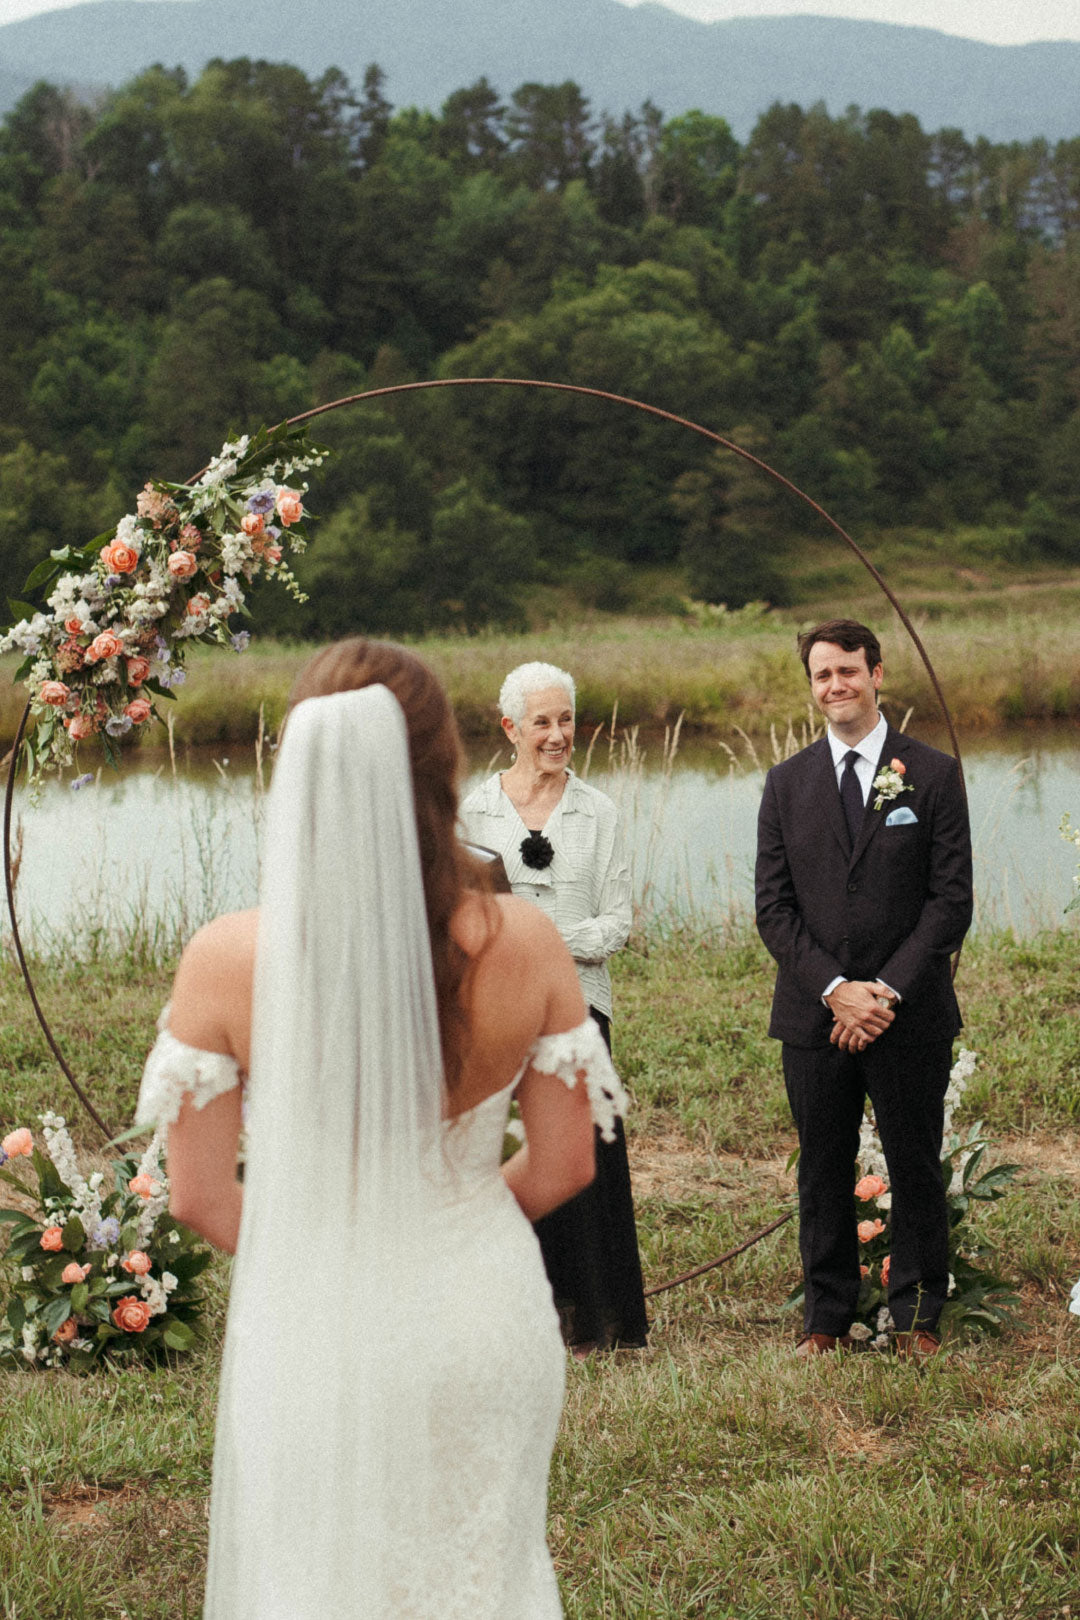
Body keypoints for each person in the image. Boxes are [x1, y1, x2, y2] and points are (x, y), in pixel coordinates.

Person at [135, 638, 630, 1618]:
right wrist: (454, 1225)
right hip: (482, 1319)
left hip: (325, 1326)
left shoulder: (228, 959)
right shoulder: (524, 941)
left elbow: (198, 1196)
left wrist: (327, 1250)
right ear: (444, 766)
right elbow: (569, 1163)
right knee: (486, 1579)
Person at [754, 619, 972, 1362]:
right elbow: (773, 909)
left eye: (848, 670)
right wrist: (834, 991)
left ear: (878, 675)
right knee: (822, 1166)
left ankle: (915, 1317)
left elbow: (950, 903)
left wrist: (880, 992)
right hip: (815, 1016)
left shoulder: (933, 775)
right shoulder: (786, 784)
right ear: (811, 685)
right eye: (822, 675)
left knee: (914, 1163)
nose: (835, 685)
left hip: (905, 1014)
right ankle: (826, 1318)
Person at [459, 662, 648, 1354]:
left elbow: (615, 927)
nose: (557, 733)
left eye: (566, 719)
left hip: (578, 1007)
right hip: (498, 1010)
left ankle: (603, 1322)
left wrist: (537, 944)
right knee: (505, 1150)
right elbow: (458, 915)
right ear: (510, 728)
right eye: (542, 721)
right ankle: (511, 1319)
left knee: (587, 1154)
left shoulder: (599, 812)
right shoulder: (473, 811)